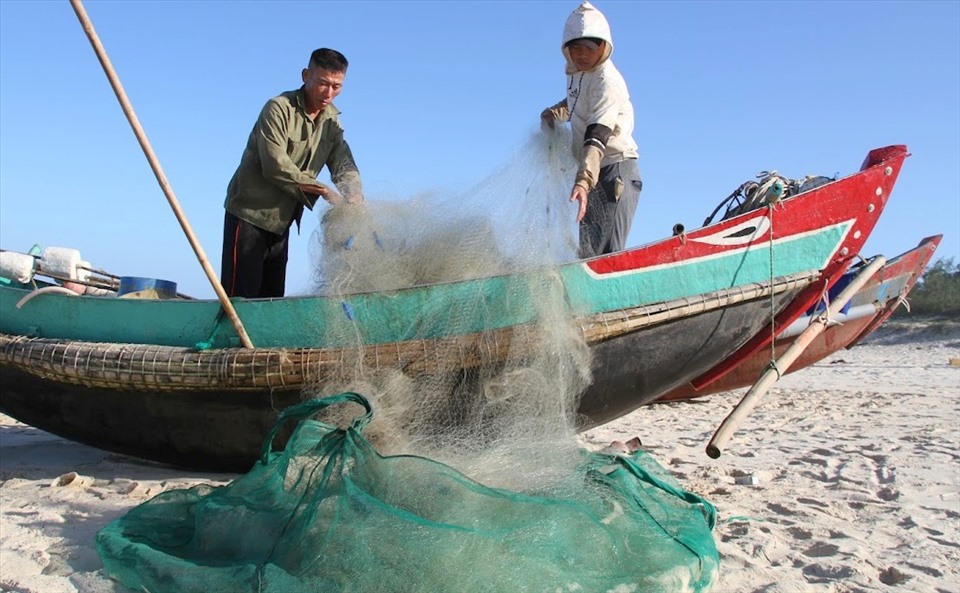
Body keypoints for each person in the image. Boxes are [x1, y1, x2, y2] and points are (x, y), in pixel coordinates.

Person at [221, 48, 363, 298]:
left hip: (282, 223)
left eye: (336, 86)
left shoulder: (332, 123)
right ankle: (231, 339)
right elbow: (275, 165)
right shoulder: (278, 108)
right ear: (306, 75)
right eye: (323, 83)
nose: (329, 93)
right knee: (240, 300)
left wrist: (353, 196)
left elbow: (344, 164)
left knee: (272, 298)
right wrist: (324, 191)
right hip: (249, 216)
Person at [540, 2, 641, 259]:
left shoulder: (607, 81)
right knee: (587, 254)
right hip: (591, 175)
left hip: (614, 171)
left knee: (607, 255)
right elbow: (576, 104)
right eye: (576, 48)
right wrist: (554, 114)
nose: (583, 54)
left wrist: (583, 181)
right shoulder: (578, 74)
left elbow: (597, 134)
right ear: (567, 50)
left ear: (603, 48)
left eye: (590, 48)